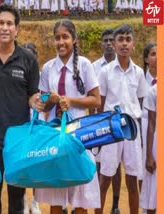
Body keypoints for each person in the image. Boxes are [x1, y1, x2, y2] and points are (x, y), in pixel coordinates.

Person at [0, 3, 40, 213]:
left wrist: (38, 101)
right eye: (1, 23)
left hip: (17, 141)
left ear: (17, 29)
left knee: (16, 198)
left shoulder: (28, 60)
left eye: (9, 23)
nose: (5, 28)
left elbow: (32, 95)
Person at [33, 18, 101, 214]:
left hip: (78, 133)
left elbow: (96, 100)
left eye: (65, 37)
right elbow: (44, 105)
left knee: (80, 194)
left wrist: (71, 101)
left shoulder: (86, 65)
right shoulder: (47, 68)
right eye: (57, 38)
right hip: (54, 134)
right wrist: (46, 101)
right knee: (56, 190)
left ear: (74, 39)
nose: (61, 42)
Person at [96, 24, 149, 214]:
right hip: (112, 126)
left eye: (128, 39)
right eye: (121, 40)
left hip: (132, 129)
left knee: (132, 180)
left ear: (133, 44)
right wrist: (102, 134)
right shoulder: (106, 71)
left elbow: (141, 104)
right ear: (115, 44)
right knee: (105, 179)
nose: (124, 44)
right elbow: (100, 105)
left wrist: (141, 137)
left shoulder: (139, 72)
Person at [92, 28, 122, 214]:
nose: (109, 43)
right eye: (106, 40)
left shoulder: (123, 65)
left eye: (112, 40)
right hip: (98, 122)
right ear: (101, 43)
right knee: (98, 164)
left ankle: (116, 205)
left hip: (117, 123)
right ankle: (96, 203)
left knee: (116, 165)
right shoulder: (94, 67)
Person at [21, 42, 42, 214]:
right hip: (21, 126)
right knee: (22, 166)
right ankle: (22, 199)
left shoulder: (41, 76)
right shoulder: (17, 75)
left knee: (37, 165)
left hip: (38, 127)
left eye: (32, 55)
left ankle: (35, 201)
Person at [139, 42, 156, 214]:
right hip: (144, 128)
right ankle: (146, 208)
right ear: (146, 59)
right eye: (152, 54)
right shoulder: (141, 80)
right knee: (145, 170)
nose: (156, 58)